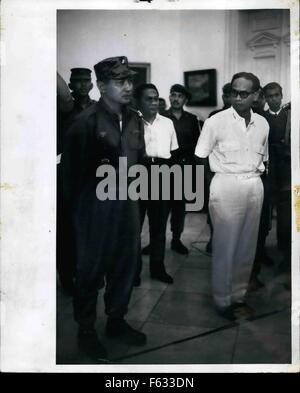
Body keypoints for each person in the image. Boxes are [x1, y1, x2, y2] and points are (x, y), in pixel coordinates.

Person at [61, 56, 147, 362]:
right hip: (95, 209)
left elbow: (141, 162)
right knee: (90, 270)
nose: (128, 87)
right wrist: (80, 218)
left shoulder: (135, 118)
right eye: (120, 81)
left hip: (128, 206)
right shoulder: (84, 123)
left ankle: (116, 320)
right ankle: (86, 331)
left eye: (130, 80)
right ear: (101, 86)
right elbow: (69, 178)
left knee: (125, 265)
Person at [195, 72, 269, 321]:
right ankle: (222, 300)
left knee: (247, 247)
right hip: (225, 185)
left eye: (244, 93)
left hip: (254, 185)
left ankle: (238, 297)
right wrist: (212, 191)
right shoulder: (215, 121)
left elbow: (263, 160)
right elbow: (200, 157)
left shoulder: (263, 123)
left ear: (256, 95)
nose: (237, 98)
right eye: (234, 92)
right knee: (226, 247)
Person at [134, 83, 178, 284]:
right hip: (138, 173)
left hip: (162, 172)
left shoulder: (168, 123)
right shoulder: (131, 122)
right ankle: (133, 271)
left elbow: (172, 151)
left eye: (156, 98)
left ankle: (157, 267)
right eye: (148, 99)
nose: (154, 102)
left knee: (159, 225)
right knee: (134, 225)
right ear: (138, 101)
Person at [263, 82, 291, 275]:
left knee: (286, 217)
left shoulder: (290, 116)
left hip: (287, 173)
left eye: (276, 95)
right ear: (265, 98)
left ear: (281, 96)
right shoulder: (261, 118)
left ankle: (287, 256)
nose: (273, 99)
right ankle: (260, 252)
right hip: (266, 172)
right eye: (269, 96)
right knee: (263, 214)